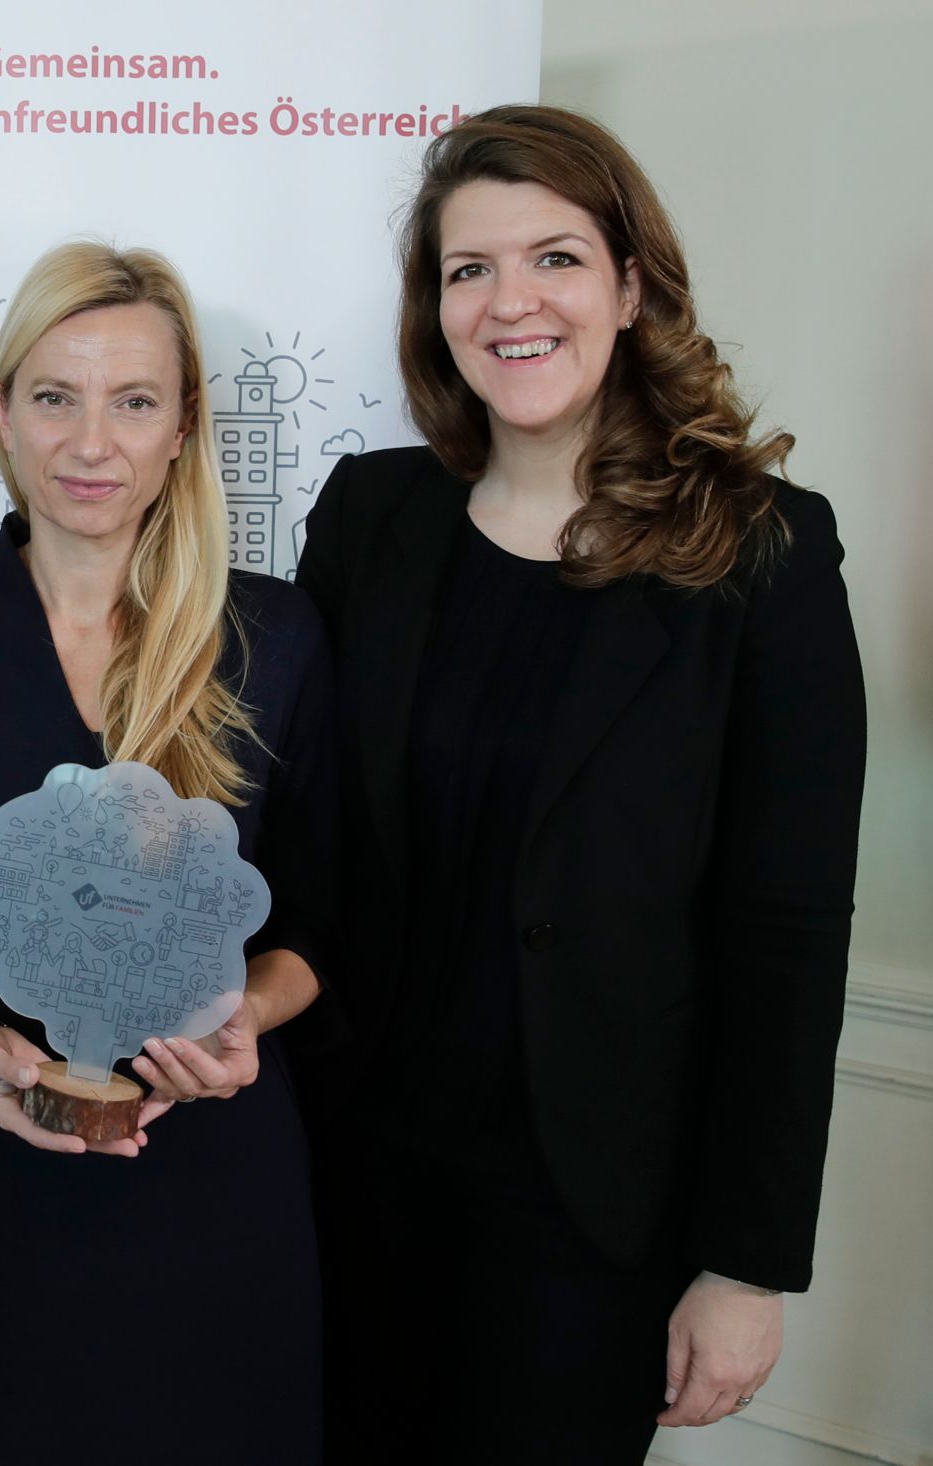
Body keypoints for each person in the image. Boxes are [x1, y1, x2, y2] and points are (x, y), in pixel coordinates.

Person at [294, 105, 866, 1462]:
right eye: (466, 269)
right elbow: (299, 830)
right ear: (434, 311)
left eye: (552, 257)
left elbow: (788, 933)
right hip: (348, 1167)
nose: (510, 302)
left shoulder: (761, 553)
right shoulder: (371, 516)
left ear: (629, 283)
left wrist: (746, 1263)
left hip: (591, 1210)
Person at [0, 242, 339, 1465]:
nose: (89, 442)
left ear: (182, 427)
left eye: (133, 401)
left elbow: (322, 923)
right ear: (0, 410)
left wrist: (240, 1021)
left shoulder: (270, 633)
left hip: (216, 1172)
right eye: (53, 396)